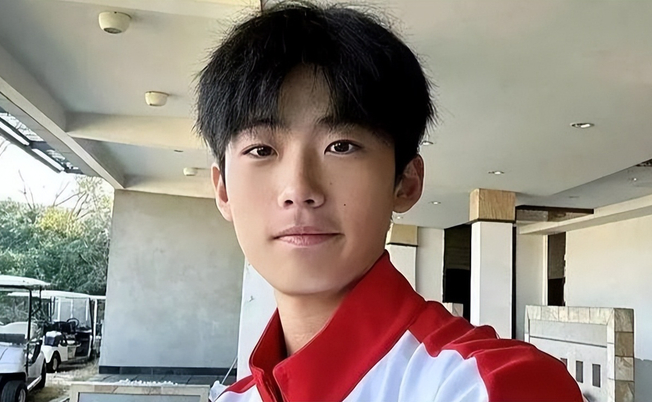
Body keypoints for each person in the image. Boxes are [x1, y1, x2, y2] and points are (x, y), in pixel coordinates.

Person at [196, 2, 582, 401]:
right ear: (223, 190)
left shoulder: (486, 386)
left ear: (405, 183)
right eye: (261, 150)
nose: (298, 189)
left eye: (341, 146)